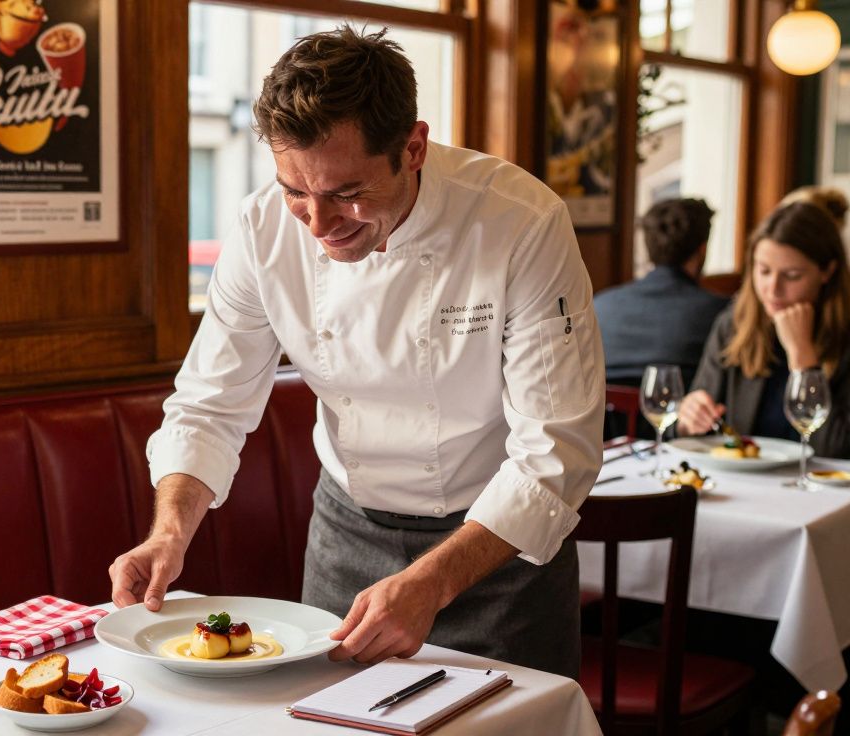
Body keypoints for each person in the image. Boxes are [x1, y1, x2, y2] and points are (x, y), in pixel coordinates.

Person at [108, 27, 603, 677]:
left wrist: (431, 582)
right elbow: (209, 406)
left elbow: (556, 453)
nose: (317, 224)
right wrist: (168, 532)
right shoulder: (262, 231)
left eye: (347, 194)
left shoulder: (519, 223)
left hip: (497, 556)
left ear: (413, 147)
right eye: (295, 191)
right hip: (347, 539)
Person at [679, 202, 850, 458]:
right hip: (745, 487)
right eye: (764, 271)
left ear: (827, 271)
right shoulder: (734, 324)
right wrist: (689, 419)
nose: (772, 289)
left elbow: (838, 450)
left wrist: (803, 359)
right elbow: (701, 434)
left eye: (792, 275)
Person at [594, 198, 728, 389]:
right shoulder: (722, 314)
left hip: (606, 418)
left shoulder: (599, 307)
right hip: (682, 417)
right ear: (702, 250)